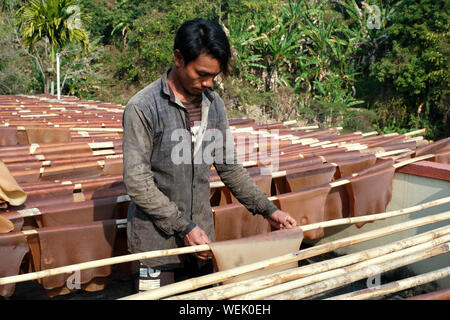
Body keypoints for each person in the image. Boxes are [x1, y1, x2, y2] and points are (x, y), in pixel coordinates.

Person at [122, 17, 297, 293]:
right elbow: (137, 182)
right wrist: (184, 226)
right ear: (178, 58)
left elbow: (230, 167)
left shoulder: (213, 105)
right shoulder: (143, 108)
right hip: (156, 245)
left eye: (213, 76)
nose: (207, 82)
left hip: (201, 244)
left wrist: (268, 210)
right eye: (201, 73)